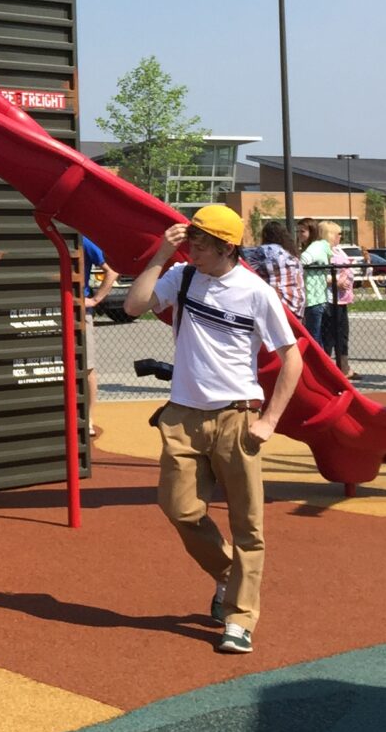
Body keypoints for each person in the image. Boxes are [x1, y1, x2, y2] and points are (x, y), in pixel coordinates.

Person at [123, 204, 302, 656]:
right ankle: (228, 575)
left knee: (249, 526)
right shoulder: (181, 276)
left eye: (200, 242)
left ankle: (240, 618)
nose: (192, 247)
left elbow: (292, 359)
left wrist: (269, 421)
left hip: (237, 416)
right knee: (178, 508)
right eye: (190, 240)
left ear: (227, 246)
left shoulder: (255, 291)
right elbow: (132, 306)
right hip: (182, 415)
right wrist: (161, 255)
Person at [81, 237, 118, 441]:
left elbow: (112, 270)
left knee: (87, 366)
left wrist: (95, 299)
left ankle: (88, 418)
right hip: (51, 310)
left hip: (79, 311)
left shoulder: (82, 240)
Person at [244, 221, 304, 320]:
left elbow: (246, 267)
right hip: (296, 304)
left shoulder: (264, 251)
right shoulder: (292, 255)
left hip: (276, 303)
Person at [323, 222, 354, 376]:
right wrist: (336, 281)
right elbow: (320, 275)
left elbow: (348, 269)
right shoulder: (323, 252)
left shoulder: (339, 250)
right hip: (329, 299)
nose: (340, 237)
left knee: (343, 334)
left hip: (342, 299)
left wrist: (347, 279)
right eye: (337, 234)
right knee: (328, 336)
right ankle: (327, 370)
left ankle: (344, 367)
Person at [299, 221, 332, 351]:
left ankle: (321, 370)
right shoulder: (308, 246)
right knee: (314, 340)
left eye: (302, 231)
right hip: (309, 300)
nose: (299, 235)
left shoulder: (317, 246)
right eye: (298, 231)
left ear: (312, 232)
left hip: (314, 300)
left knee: (314, 342)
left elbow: (304, 260)